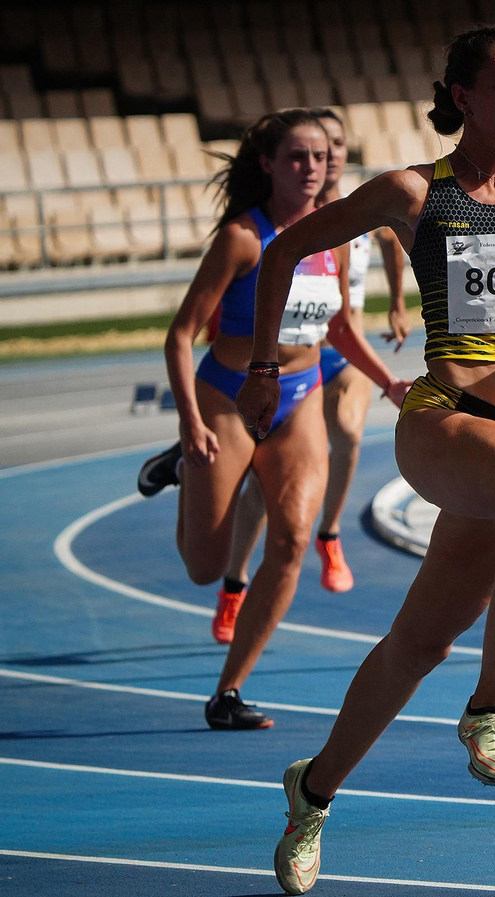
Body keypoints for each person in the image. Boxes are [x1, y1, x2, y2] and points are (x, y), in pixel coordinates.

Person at [231, 26, 495, 895]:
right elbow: (286, 250)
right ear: (462, 96)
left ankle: (314, 789)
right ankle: (492, 706)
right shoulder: (412, 191)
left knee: (414, 643)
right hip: (445, 416)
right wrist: (261, 365)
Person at [134, 109, 408, 729]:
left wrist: (386, 380)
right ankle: (183, 466)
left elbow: (339, 327)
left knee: (289, 543)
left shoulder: (329, 237)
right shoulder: (241, 238)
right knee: (205, 567)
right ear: (268, 165)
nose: (311, 169)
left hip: (300, 394)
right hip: (227, 399)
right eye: (295, 158)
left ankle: (228, 692)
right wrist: (189, 425)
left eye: (319, 158)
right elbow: (180, 337)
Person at [217, 108, 409, 626]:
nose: (330, 157)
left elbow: (392, 240)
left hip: (335, 341)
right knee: (261, 485)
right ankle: (234, 578)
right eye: (317, 149)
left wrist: (395, 302)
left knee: (346, 431)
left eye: (336, 147)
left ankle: (328, 532)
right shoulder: (282, 220)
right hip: (275, 354)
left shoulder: (361, 210)